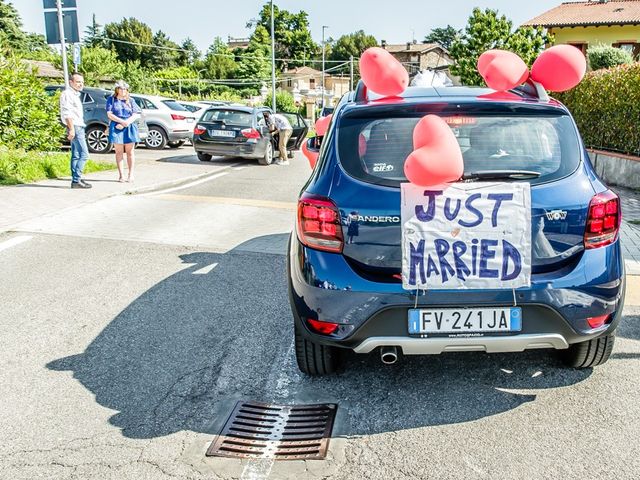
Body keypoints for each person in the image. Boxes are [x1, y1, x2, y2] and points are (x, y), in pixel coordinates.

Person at [59, 72, 91, 189]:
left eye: (82, 82)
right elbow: (67, 113)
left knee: (76, 155)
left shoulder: (75, 94)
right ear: (71, 82)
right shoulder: (67, 94)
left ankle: (76, 179)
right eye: (78, 82)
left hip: (78, 126)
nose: (80, 84)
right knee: (84, 154)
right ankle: (76, 179)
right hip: (75, 126)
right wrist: (71, 129)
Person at [106, 80, 142, 182]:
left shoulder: (131, 100)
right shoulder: (111, 100)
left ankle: (131, 174)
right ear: (117, 89)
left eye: (125, 89)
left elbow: (136, 114)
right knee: (119, 152)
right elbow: (109, 114)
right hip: (116, 126)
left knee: (130, 152)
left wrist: (126, 123)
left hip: (129, 126)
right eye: (121, 88)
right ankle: (121, 175)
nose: (123, 91)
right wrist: (121, 122)